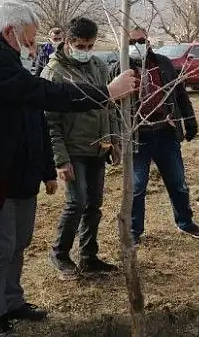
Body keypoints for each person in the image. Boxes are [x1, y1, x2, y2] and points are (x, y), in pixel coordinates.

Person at [0, 0, 137, 337]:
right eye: (29, 41)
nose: (32, 49)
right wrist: (104, 93)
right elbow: (39, 93)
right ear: (7, 32)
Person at [43, 17, 122, 279]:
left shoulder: (98, 66)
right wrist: (60, 159)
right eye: (81, 45)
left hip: (98, 147)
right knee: (76, 202)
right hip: (72, 149)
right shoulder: (55, 72)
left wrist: (113, 141)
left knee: (94, 205)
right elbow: (49, 122)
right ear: (67, 42)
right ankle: (60, 253)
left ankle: (88, 256)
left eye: (90, 45)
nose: (86, 50)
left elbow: (108, 106)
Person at [115, 27, 199, 244]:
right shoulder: (119, 69)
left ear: (148, 41)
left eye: (141, 40)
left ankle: (185, 222)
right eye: (131, 41)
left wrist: (189, 121)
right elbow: (111, 106)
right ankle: (134, 232)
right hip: (137, 136)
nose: (137, 45)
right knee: (137, 188)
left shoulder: (163, 63)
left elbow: (180, 94)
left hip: (165, 132)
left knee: (178, 182)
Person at [0, 97, 58, 335]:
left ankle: (13, 301)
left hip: (27, 185)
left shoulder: (30, 97)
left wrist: (48, 172)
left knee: (19, 244)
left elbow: (43, 136)